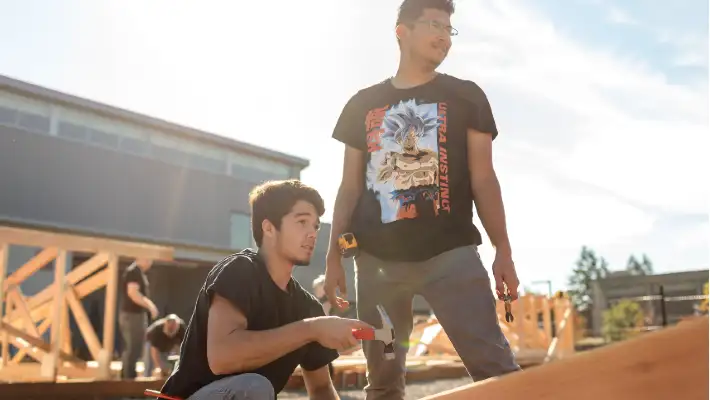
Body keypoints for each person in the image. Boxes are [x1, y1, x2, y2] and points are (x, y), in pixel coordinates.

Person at [324, 0, 522, 398]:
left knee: (495, 369)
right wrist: (332, 257)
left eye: (449, 29)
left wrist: (503, 250)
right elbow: (349, 187)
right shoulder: (362, 104)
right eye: (433, 25)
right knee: (382, 380)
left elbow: (484, 179)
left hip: (451, 257)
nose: (443, 37)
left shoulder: (467, 97)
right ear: (403, 32)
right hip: (378, 265)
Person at [161, 180, 372, 400]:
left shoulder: (307, 308)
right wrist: (312, 329)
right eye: (302, 222)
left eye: (316, 226)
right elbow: (222, 358)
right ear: (268, 227)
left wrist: (315, 328)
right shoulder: (239, 271)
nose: (312, 233)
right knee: (253, 387)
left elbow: (321, 390)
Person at [119, 258, 159, 379]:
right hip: (132, 315)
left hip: (134, 315)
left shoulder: (137, 272)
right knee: (133, 347)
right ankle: (128, 380)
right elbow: (133, 293)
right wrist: (150, 306)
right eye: (149, 259)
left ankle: (127, 377)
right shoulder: (133, 272)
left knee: (134, 348)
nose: (150, 262)